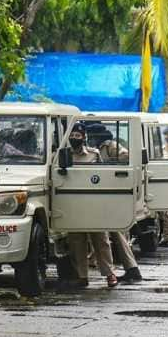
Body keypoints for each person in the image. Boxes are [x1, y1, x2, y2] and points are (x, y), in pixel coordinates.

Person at [86, 124, 142, 283]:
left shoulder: (111, 146)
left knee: (116, 233)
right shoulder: (93, 149)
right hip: (101, 193)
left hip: (110, 193)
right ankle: (130, 268)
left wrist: (111, 167)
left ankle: (132, 268)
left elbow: (126, 157)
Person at [65, 123, 119, 288]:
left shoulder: (93, 154)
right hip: (73, 202)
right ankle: (82, 276)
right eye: (72, 135)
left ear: (83, 137)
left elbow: (102, 175)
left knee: (101, 240)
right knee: (77, 241)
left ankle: (109, 273)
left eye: (78, 136)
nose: (75, 138)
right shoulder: (64, 155)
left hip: (93, 202)